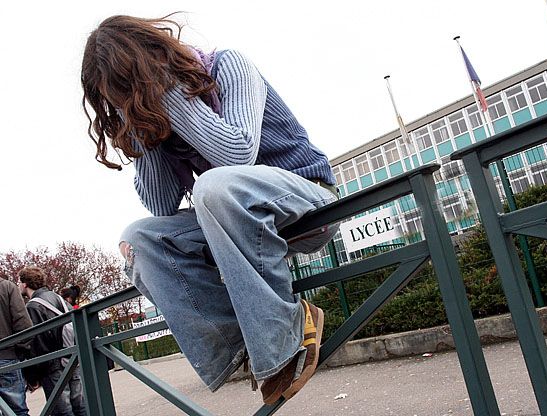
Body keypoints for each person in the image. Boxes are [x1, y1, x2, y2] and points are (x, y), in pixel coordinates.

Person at [81, 14, 338, 404]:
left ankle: (281, 334)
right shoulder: (151, 116)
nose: (126, 103)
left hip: (305, 202)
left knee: (213, 186)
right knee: (139, 239)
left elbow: (236, 152)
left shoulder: (228, 66)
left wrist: (167, 94)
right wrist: (143, 130)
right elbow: (160, 204)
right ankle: (238, 342)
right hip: (234, 223)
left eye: (128, 90)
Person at [18, 267, 86, 416]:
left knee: (62, 409)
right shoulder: (60, 299)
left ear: (24, 284)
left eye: (19, 282)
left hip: (52, 365)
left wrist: (32, 376)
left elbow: (38, 344)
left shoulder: (33, 306)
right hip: (72, 357)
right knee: (80, 405)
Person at [0, 278, 33, 416]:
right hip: (7, 357)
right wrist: (21, 351)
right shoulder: (7, 287)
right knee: (16, 411)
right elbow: (24, 326)